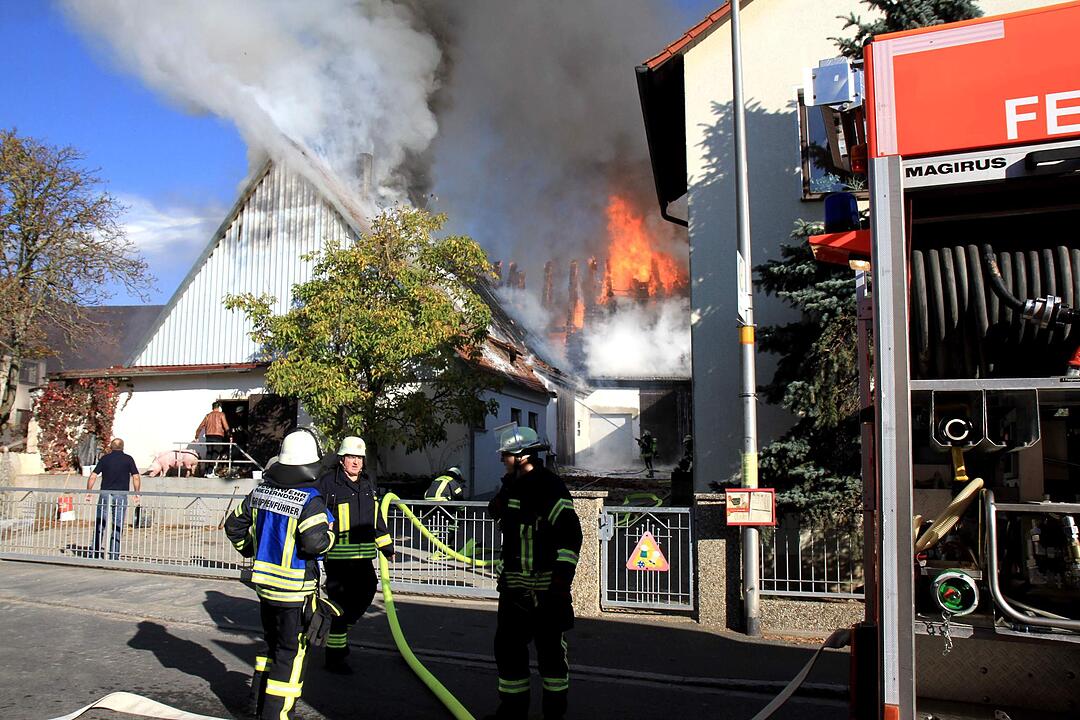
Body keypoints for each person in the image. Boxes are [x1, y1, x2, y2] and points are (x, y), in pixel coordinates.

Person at [224, 428, 335, 720]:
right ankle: (276, 715)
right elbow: (315, 543)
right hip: (295, 594)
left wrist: (251, 549)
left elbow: (232, 525)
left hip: (265, 590)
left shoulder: (259, 492)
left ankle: (256, 704)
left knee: (270, 647)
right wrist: (331, 538)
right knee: (290, 656)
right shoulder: (309, 500)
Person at [488, 426, 582, 720]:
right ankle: (512, 714)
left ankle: (554, 716)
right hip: (515, 591)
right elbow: (495, 512)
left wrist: (559, 584)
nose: (503, 459)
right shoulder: (513, 486)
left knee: (552, 659)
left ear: (522, 456)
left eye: (506, 455)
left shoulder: (549, 487)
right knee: (508, 653)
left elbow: (571, 537)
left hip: (545, 593)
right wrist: (506, 488)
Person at [315, 435, 393, 674]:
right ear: (341, 459)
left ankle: (339, 625)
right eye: (351, 457)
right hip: (338, 557)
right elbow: (315, 513)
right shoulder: (327, 484)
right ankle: (335, 657)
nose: (356, 462)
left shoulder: (367, 485)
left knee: (368, 589)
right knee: (340, 605)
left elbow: (376, 518)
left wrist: (386, 545)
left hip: (362, 557)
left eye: (359, 457)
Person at [85, 438, 141, 560]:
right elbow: (136, 477)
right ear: (123, 447)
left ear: (111, 446)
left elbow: (93, 476)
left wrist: (89, 492)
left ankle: (95, 552)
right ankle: (114, 554)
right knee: (118, 524)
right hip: (121, 495)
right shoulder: (128, 459)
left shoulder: (105, 459)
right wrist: (137, 493)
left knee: (101, 523)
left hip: (105, 494)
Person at [195, 401, 230, 478]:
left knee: (209, 453)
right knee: (215, 453)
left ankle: (206, 472)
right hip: (218, 436)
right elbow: (226, 426)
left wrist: (197, 436)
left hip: (209, 436)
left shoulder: (208, 416)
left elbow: (200, 426)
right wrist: (229, 435)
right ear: (219, 407)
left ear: (212, 407)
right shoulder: (221, 414)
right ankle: (210, 472)